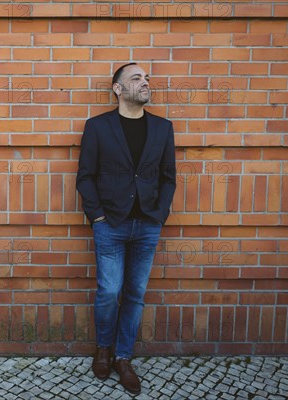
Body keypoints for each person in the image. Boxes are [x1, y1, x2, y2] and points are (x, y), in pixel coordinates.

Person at [76, 63, 176, 395]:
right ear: (118, 89)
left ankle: (122, 357)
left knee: (135, 294)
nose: (145, 82)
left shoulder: (163, 128)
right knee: (108, 291)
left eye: (147, 78)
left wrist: (158, 216)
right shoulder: (98, 127)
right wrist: (98, 217)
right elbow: (85, 177)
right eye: (136, 78)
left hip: (147, 225)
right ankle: (103, 349)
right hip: (111, 224)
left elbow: (168, 177)